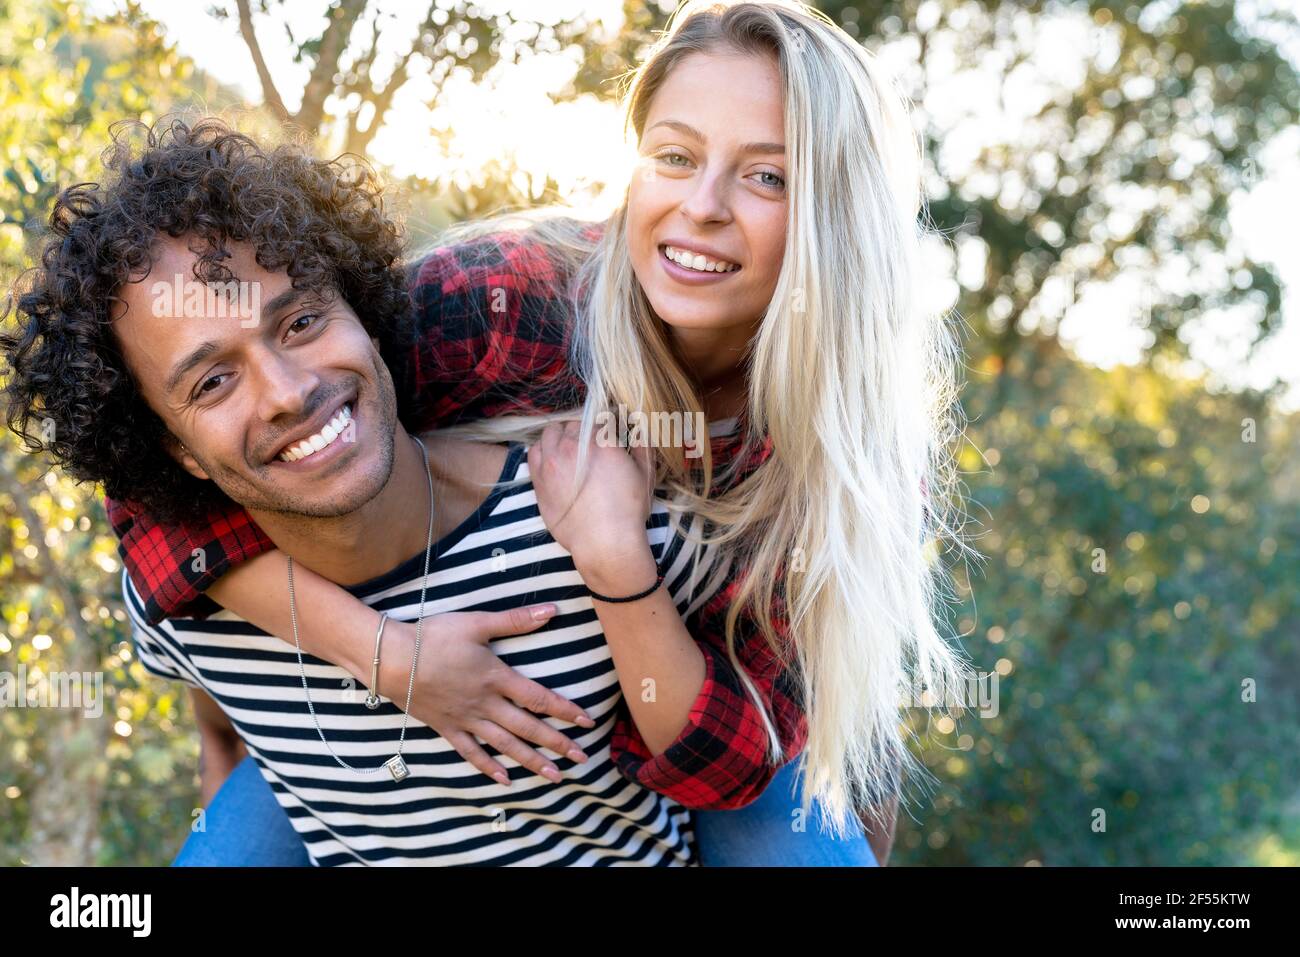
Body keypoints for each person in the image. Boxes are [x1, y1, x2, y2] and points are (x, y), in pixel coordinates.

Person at [58, 0, 977, 864]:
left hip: (685, 715)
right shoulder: (513, 300)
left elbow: (733, 758)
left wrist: (617, 565)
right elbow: (161, 481)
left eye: (767, 175)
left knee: (815, 812)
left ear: (839, 217)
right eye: (674, 155)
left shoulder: (850, 462)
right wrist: (389, 659)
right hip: (405, 687)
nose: (702, 205)